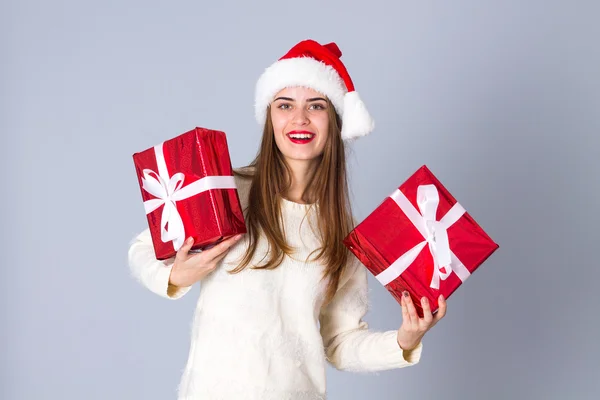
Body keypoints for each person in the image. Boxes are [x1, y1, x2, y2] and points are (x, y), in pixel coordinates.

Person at [128, 39, 447, 400]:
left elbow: (341, 342)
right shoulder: (226, 190)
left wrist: (404, 340)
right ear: (270, 117)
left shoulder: (342, 232)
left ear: (334, 120)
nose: (300, 119)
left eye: (316, 106)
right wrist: (176, 275)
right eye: (285, 105)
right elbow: (143, 250)